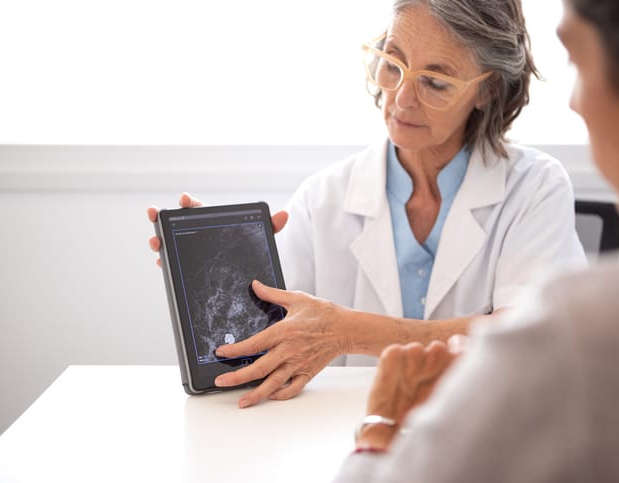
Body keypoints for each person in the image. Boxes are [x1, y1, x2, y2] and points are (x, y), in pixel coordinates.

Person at [330, 0, 619, 481]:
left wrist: (380, 425)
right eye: (392, 64)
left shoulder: (585, 332)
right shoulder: (325, 194)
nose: (574, 103)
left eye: (577, 63)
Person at [148, 0, 587, 408]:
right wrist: (222, 268)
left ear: (487, 90)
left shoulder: (534, 188)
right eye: (393, 63)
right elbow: (269, 339)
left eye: (434, 81)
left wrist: (348, 333)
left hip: (488, 432)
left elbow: (537, 339)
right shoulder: (324, 198)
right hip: (347, 439)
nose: (401, 98)